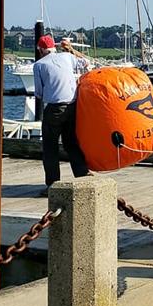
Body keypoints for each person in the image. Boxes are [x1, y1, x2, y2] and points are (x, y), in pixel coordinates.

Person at [33, 35, 91, 194]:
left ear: (42, 49)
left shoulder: (39, 65)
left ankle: (52, 184)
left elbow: (38, 92)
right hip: (72, 106)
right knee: (71, 142)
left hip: (54, 109)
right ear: (54, 47)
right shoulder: (67, 57)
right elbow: (86, 62)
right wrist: (71, 49)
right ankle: (82, 175)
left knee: (50, 147)